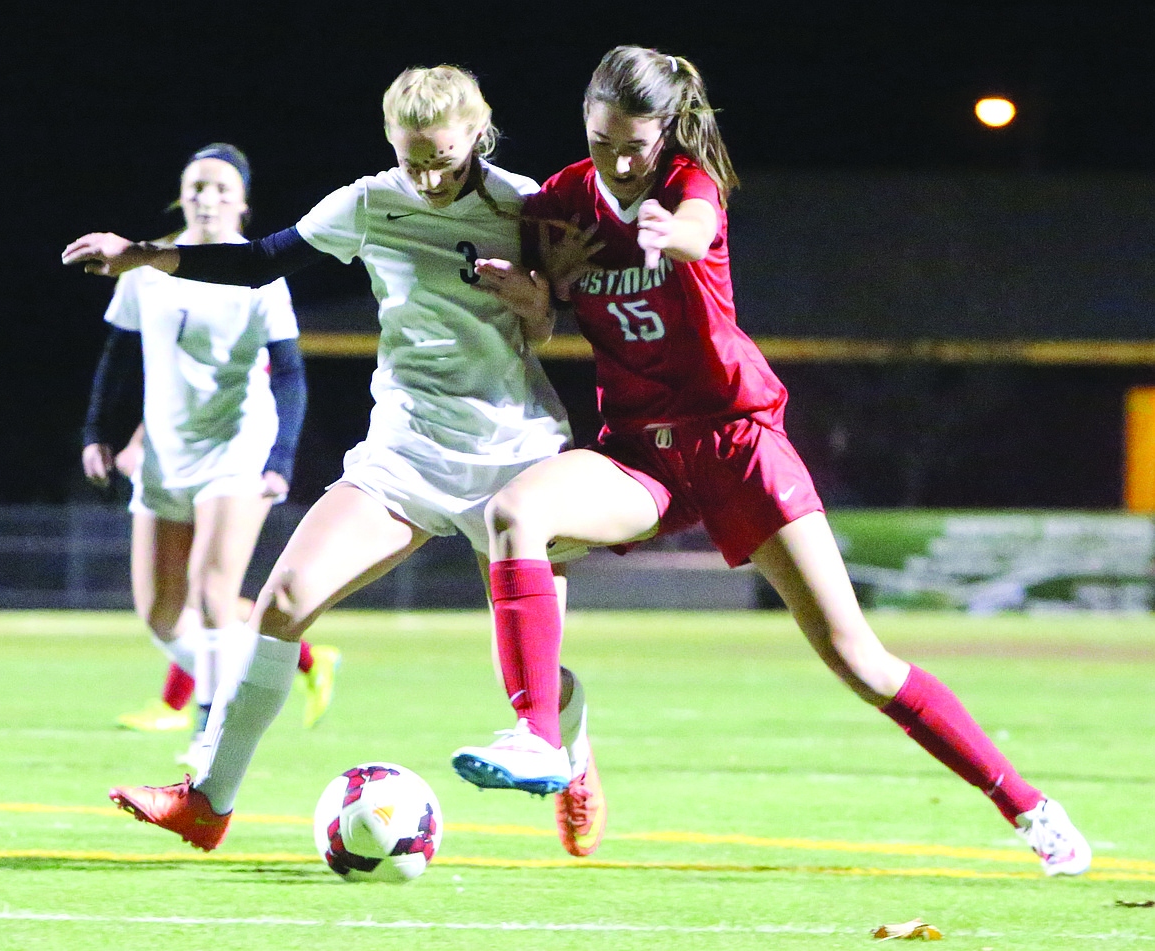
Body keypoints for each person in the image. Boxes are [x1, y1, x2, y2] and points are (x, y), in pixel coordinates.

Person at [449, 46, 1092, 878]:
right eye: (601, 138)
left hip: (737, 441)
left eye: (634, 144)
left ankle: (1029, 807)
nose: (617, 158)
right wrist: (539, 302)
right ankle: (544, 737)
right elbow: (542, 324)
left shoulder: (687, 184)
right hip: (640, 452)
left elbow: (697, 226)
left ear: (667, 132)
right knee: (513, 516)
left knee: (857, 656)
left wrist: (668, 234)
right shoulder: (562, 203)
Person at [62, 66, 605, 857]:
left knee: (531, 674)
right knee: (283, 599)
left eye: (443, 160)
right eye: (411, 158)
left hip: (512, 457)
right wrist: (143, 254)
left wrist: (540, 306)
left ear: (477, 135)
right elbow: (258, 261)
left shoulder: (526, 204)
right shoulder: (368, 201)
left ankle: (573, 756)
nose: (426, 178)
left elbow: (572, 311)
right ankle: (206, 802)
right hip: (403, 452)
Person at [80, 144, 341, 765]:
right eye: (197, 186)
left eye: (222, 188)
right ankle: (302, 658)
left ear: (243, 203)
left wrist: (279, 460)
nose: (207, 197)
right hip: (165, 454)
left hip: (237, 446)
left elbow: (290, 377)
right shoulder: (145, 266)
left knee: (212, 593)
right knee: (162, 615)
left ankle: (210, 731)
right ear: (182, 195)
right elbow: (118, 358)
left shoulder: (259, 276)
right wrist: (97, 433)